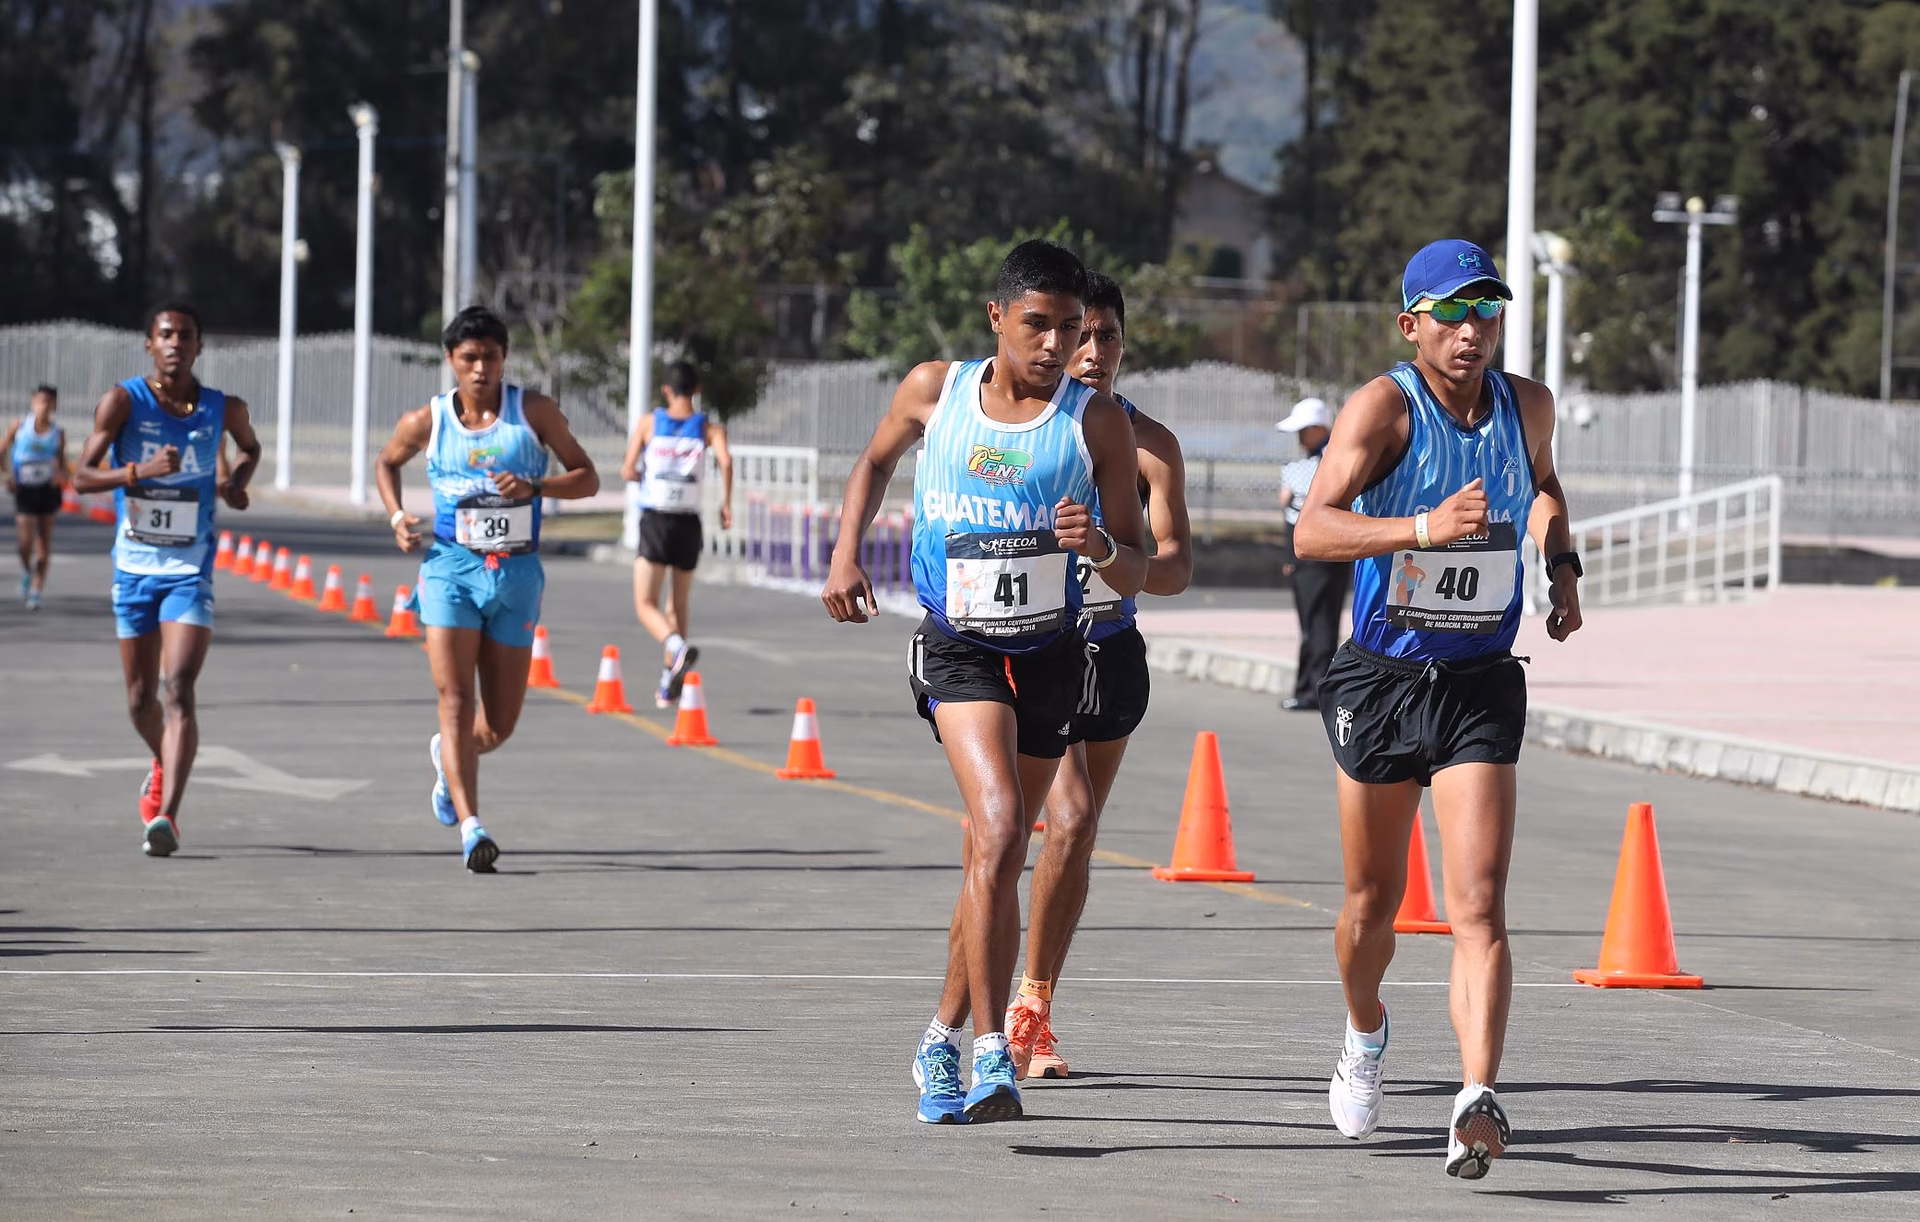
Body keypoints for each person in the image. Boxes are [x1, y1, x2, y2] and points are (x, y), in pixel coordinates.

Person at [820, 241, 1149, 1124]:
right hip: (961, 647)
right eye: (1037, 324)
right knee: (1003, 829)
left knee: (992, 857)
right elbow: (872, 463)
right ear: (997, 318)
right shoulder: (937, 390)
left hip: (1051, 654)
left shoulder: (1096, 424)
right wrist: (848, 551)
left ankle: (936, 1035)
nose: (1055, 345)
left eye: (1071, 329)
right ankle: (992, 1052)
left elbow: (1141, 568)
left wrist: (1102, 550)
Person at [1294, 239, 1584, 1179]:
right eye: (1451, 315)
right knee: (1372, 906)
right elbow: (1312, 529)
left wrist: (1561, 562)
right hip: (1383, 678)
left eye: (1486, 313)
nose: (1470, 332)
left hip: (1477, 681)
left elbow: (1539, 484)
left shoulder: (1525, 404)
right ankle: (1365, 1029)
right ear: (1410, 323)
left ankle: (1474, 1097)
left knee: (1479, 904)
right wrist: (1420, 528)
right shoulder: (1385, 407)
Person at [1000, 270, 1193, 1080]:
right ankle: (982, 1012)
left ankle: (1032, 1007)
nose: (1090, 350)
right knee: (1045, 823)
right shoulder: (1026, 426)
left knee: (1073, 841)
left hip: (1110, 651)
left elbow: (1176, 568)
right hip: (1031, 644)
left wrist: (1111, 555)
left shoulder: (1150, 446)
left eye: (1107, 336)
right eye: (1080, 334)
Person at [376, 306, 600, 872]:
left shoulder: (535, 413)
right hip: (450, 569)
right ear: (451, 361)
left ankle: (446, 759)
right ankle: (473, 828)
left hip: (517, 576)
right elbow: (387, 462)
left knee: (497, 725)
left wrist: (536, 485)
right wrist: (398, 515)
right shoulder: (426, 421)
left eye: (491, 357)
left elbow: (588, 476)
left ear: (504, 359)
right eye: (469, 358)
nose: (481, 368)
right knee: (455, 700)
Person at [71, 302, 261, 857]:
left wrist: (237, 485)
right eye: (166, 334)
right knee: (138, 701)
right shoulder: (123, 400)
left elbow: (251, 449)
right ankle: (162, 759)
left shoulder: (225, 408)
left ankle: (168, 819)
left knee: (178, 688)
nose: (176, 342)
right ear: (148, 345)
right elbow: (80, 477)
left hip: (189, 568)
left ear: (201, 346)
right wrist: (139, 473)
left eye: (187, 335)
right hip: (133, 569)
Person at [621, 360, 733, 708]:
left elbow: (627, 470)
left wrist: (646, 476)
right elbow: (726, 462)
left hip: (656, 520)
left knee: (645, 604)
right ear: (697, 391)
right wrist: (726, 502)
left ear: (666, 391)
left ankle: (676, 649)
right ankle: (671, 679)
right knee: (678, 603)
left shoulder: (649, 423)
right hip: (689, 522)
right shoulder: (710, 430)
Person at [1275, 396, 1346, 711]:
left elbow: (1290, 502)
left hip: (1318, 557)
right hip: (1320, 556)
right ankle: (1310, 687)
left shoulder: (1321, 462)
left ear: (1320, 428)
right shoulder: (1328, 458)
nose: (1300, 437)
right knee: (1317, 623)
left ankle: (1312, 690)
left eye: (1305, 430)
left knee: (1317, 624)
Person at [5, 385, 70, 609]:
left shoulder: (57, 432)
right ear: (33, 402)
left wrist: (61, 476)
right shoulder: (20, 426)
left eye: (48, 402)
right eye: (40, 401)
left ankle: (36, 589)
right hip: (25, 489)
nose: (44, 406)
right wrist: (7, 477)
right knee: (24, 544)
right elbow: (2, 450)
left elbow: (62, 463)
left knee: (43, 544)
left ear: (54, 405)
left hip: (47, 490)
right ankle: (26, 571)